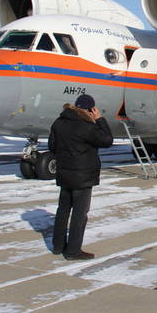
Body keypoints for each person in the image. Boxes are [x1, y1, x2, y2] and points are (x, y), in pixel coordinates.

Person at [48, 94, 113, 260]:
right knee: (79, 214)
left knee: (62, 211)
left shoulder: (59, 123)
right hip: (83, 177)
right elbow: (107, 140)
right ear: (91, 109)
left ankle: (57, 246)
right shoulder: (87, 126)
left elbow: (52, 146)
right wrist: (100, 120)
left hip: (64, 174)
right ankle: (73, 251)